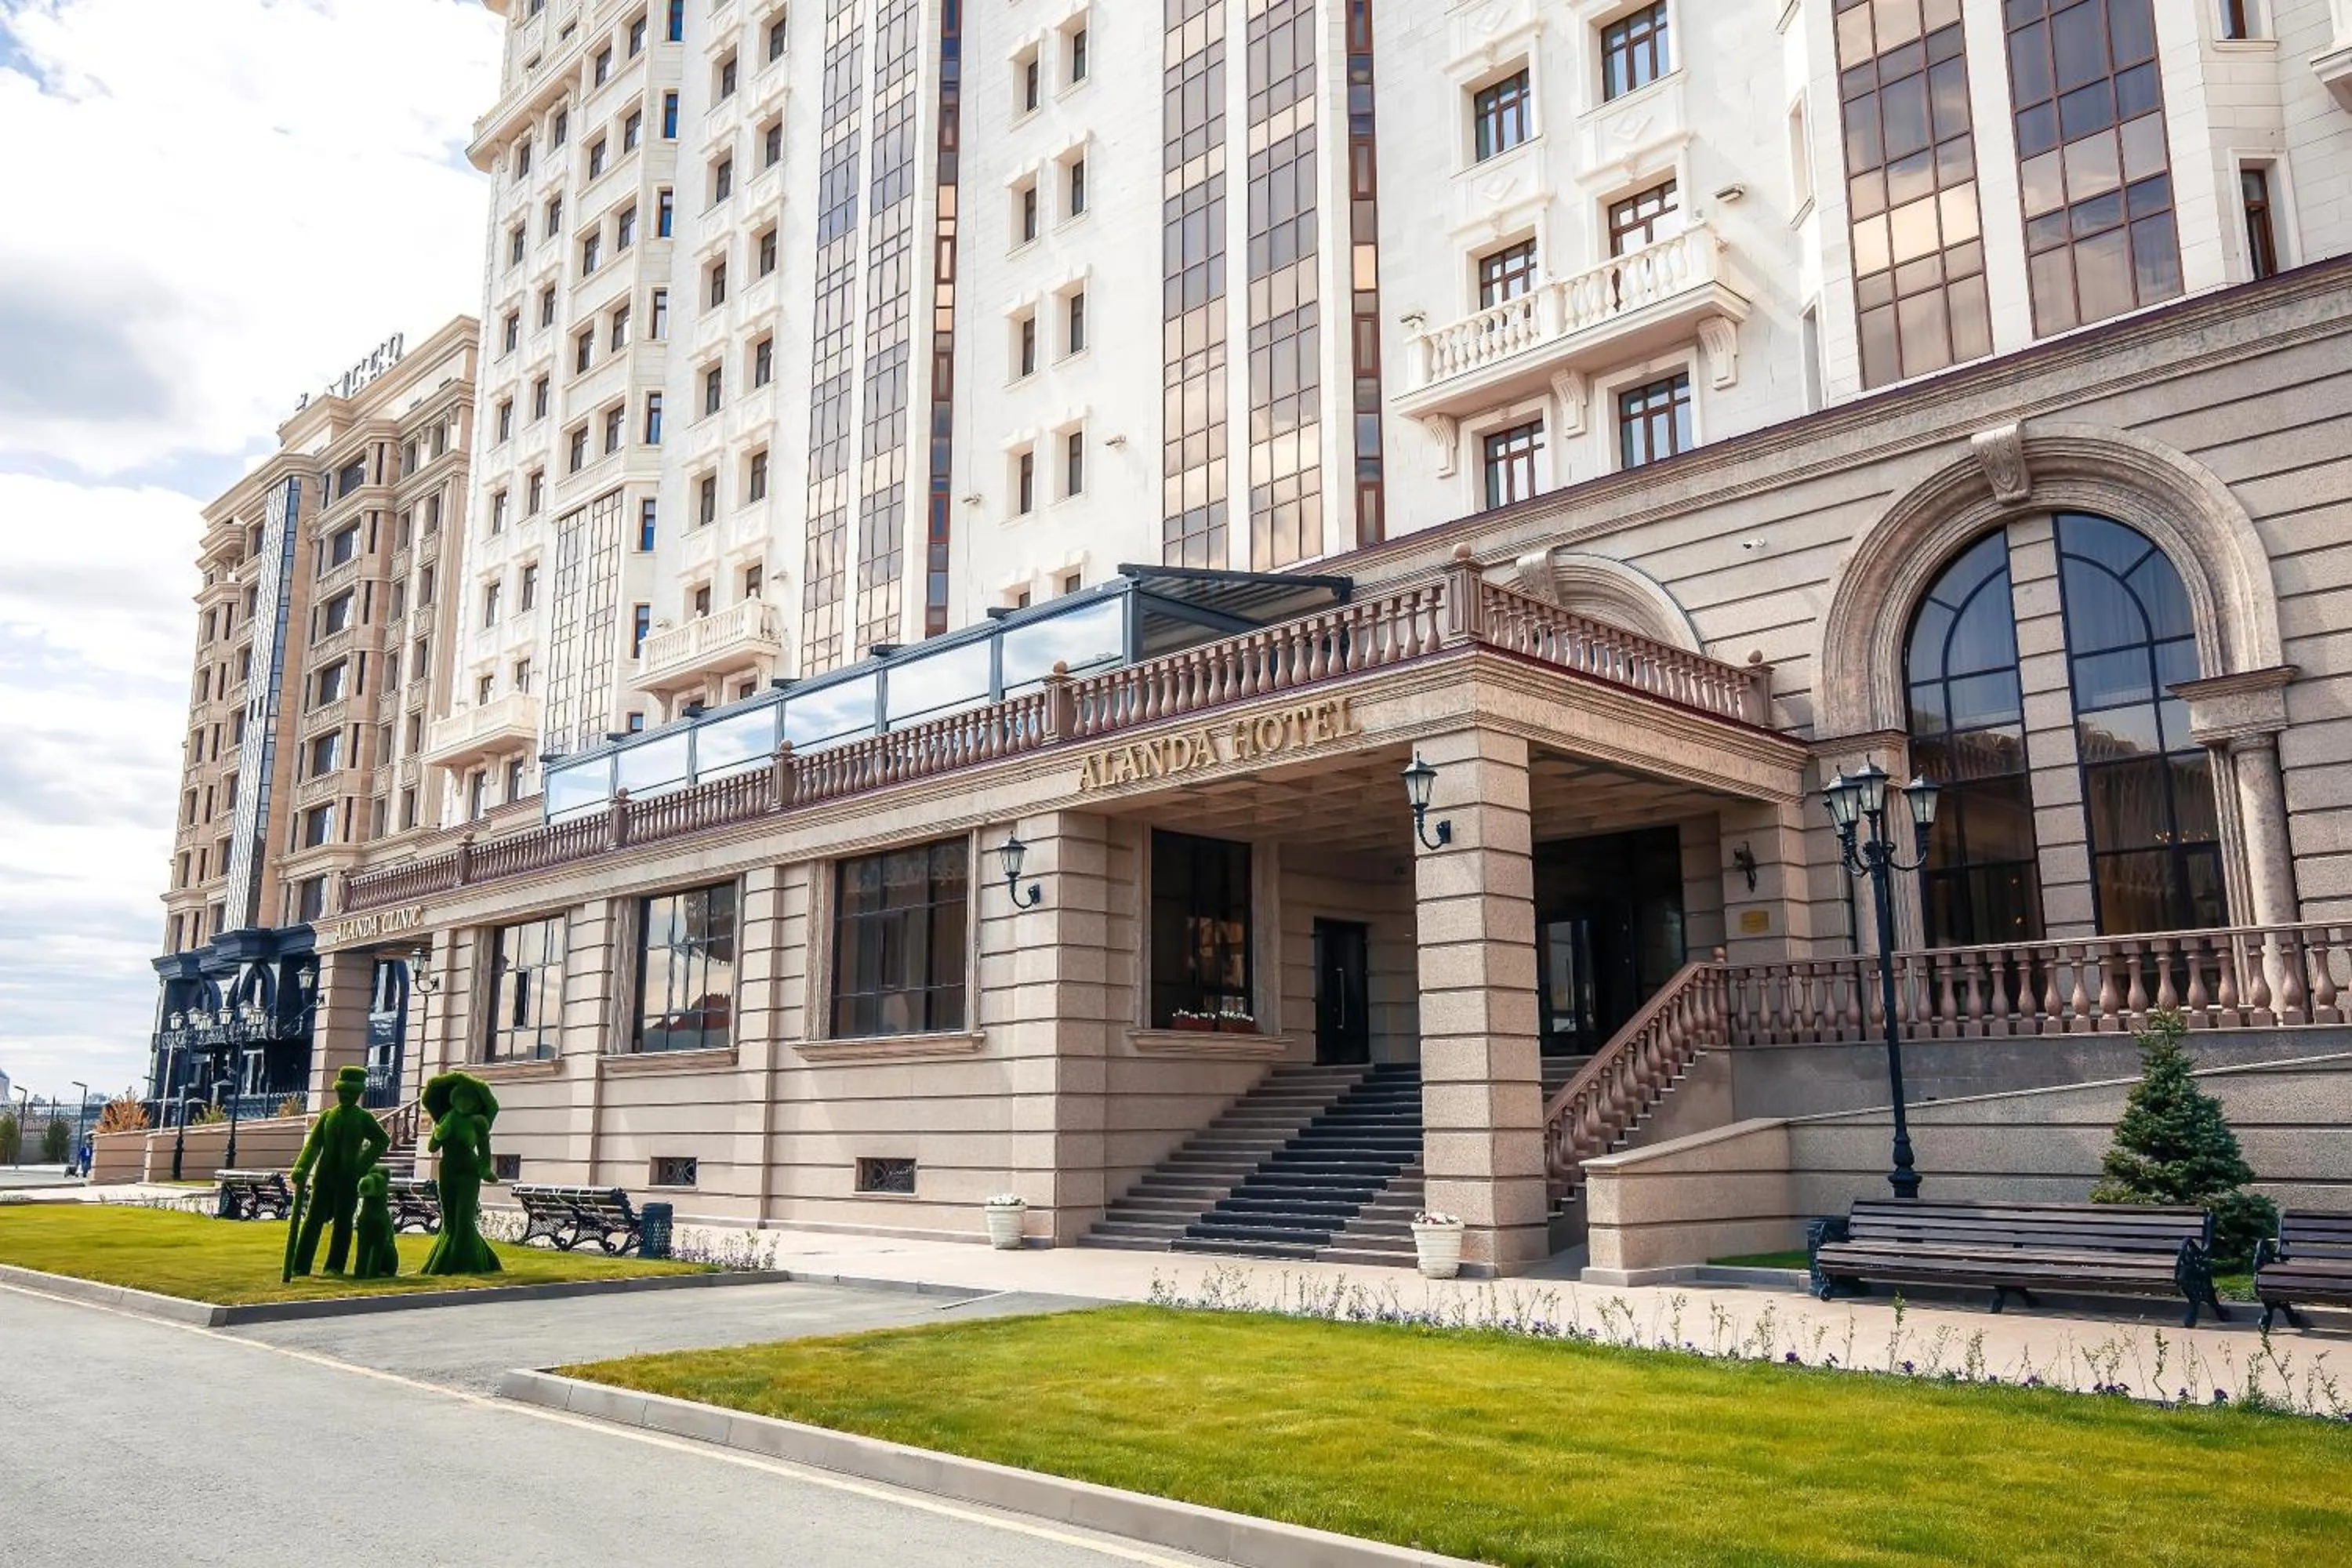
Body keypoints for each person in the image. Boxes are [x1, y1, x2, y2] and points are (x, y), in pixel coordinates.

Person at [289, 1065, 390, 1276]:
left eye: (351, 1093)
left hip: (348, 1179)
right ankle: (300, 1265)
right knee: (312, 1221)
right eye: (342, 1091)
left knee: (343, 1224)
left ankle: (334, 1266)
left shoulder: (363, 1118)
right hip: (324, 1177)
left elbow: (382, 1140)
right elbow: (314, 1146)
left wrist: (361, 1166)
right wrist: (302, 1166)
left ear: (358, 1094)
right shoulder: (327, 1117)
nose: (345, 1096)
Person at [419, 1071, 501, 1276]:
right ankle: (449, 1258)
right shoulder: (445, 1118)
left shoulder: (478, 1122)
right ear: (453, 1099)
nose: (464, 1103)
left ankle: (468, 1263)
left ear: (475, 1102)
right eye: (459, 1098)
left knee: (464, 1219)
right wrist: (438, 1133)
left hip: (469, 1172)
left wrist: (485, 1170)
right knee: (450, 1221)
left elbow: (484, 1151)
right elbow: (431, 1147)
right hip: (447, 1170)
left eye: (468, 1099)